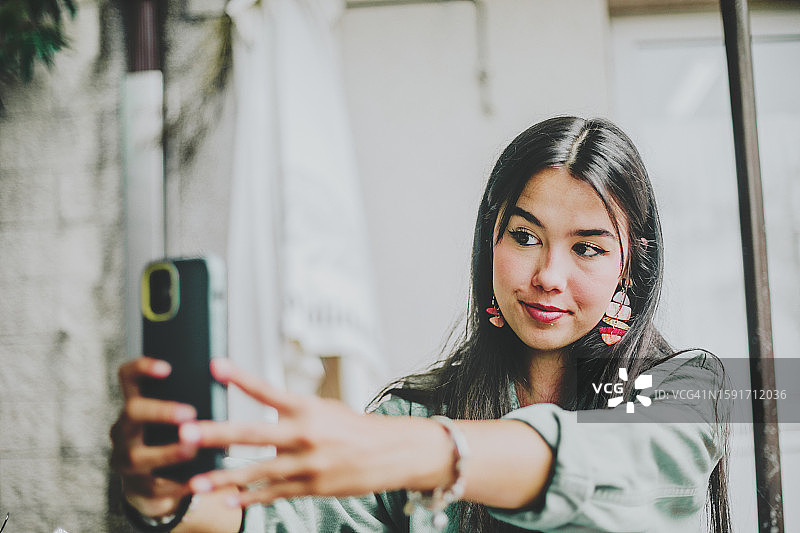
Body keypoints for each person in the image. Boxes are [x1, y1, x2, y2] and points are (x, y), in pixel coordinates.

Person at [110, 116, 730, 532]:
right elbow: (284, 521)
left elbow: (610, 463)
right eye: (524, 236)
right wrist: (166, 498)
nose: (547, 275)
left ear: (630, 264)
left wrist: (426, 455)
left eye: (588, 248)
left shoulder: (690, 390)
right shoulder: (413, 412)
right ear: (491, 240)